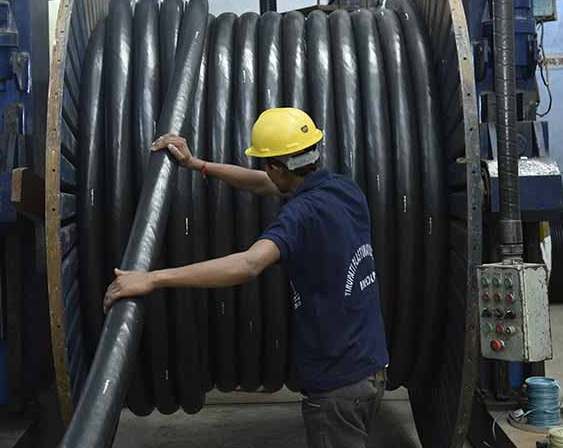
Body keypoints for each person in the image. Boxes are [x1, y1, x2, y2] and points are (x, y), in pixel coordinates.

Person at [103, 107, 389, 448]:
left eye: (266, 165)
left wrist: (153, 279)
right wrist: (198, 165)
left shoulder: (298, 216)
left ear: (275, 167)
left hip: (337, 386)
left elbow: (249, 264)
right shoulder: (346, 189)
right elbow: (264, 183)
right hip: (372, 366)